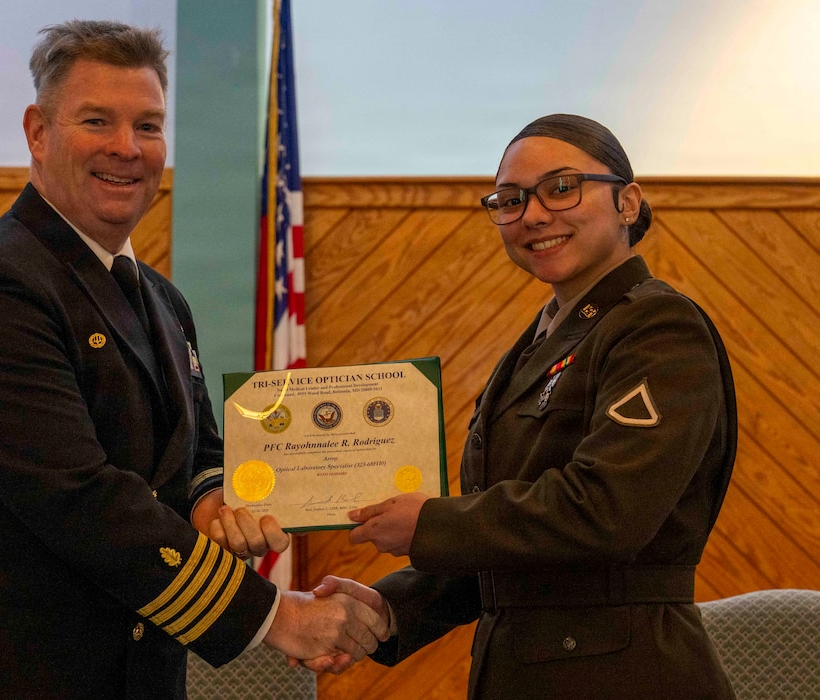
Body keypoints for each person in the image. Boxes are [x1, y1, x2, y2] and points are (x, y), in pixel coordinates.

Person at [0, 20, 385, 698]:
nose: (127, 149)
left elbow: (196, 454)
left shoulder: (159, 297)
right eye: (97, 121)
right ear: (38, 132)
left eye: (149, 126)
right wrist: (274, 618)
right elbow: (81, 501)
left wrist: (214, 497)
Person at [312, 114, 737, 699]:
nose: (534, 215)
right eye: (510, 200)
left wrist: (431, 522)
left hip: (624, 675)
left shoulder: (659, 327)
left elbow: (606, 512)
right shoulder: (543, 340)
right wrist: (390, 610)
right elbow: (516, 547)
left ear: (628, 202)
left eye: (562, 188)